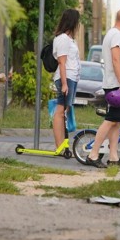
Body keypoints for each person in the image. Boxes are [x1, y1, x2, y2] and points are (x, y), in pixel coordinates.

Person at [86, 8, 120, 168]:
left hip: (115, 84)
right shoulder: (118, 36)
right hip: (116, 86)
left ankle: (113, 157)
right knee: (110, 120)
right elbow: (116, 59)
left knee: (116, 122)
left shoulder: (112, 34)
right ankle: (93, 155)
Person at [52, 8, 81, 150]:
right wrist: (64, 83)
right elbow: (61, 62)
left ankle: (62, 144)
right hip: (66, 77)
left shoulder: (70, 40)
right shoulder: (63, 39)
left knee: (64, 109)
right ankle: (59, 145)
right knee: (60, 110)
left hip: (71, 77)